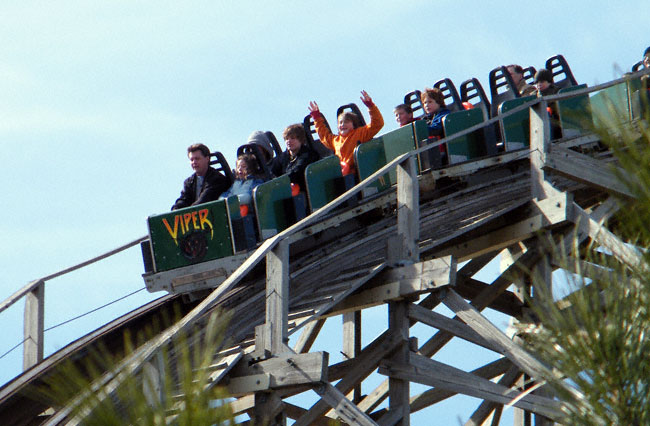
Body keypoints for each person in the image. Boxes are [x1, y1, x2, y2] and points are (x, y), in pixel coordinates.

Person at [308, 90, 384, 171]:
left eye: (346, 122)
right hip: (343, 174)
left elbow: (377, 123)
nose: (342, 125)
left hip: (359, 172)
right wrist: (316, 117)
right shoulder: (336, 140)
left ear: (354, 124)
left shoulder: (360, 133)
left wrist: (371, 106)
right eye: (340, 123)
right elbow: (324, 135)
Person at [171, 143, 231, 210]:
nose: (194, 162)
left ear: (207, 159)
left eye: (197, 159)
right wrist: (176, 209)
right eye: (191, 160)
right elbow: (184, 199)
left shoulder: (216, 179)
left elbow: (204, 201)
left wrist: (187, 212)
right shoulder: (188, 182)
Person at [270, 123, 319, 191]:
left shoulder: (309, 154)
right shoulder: (283, 157)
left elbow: (296, 172)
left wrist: (281, 181)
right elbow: (272, 172)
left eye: (292, 138)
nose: (289, 141)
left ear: (300, 140)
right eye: (287, 139)